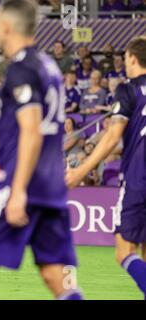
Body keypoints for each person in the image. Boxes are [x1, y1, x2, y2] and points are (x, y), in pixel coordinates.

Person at [0, 0, 82, 300]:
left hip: (21, 182)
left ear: (6, 26)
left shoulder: (21, 69)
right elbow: (7, 131)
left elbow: (31, 131)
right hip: (51, 186)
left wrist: (18, 189)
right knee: (58, 275)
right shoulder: (48, 66)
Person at [66, 36, 146, 298]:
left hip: (139, 176)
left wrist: (79, 170)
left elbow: (112, 137)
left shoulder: (128, 88)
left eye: (125, 58)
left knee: (124, 251)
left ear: (132, 59)